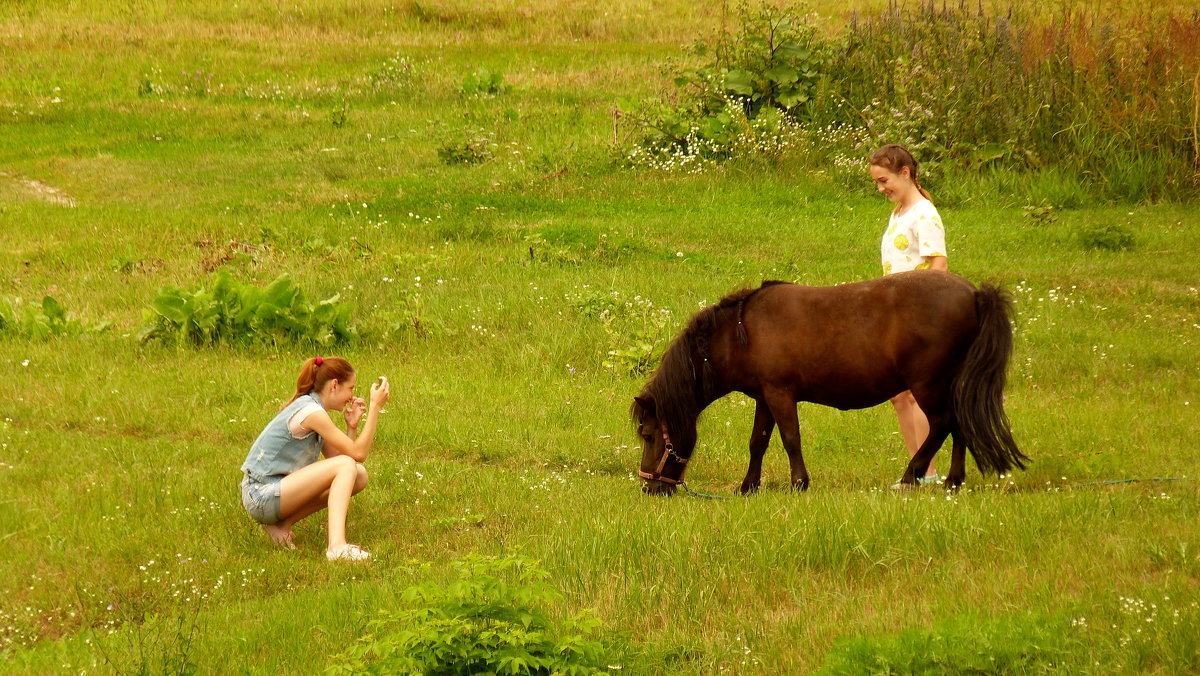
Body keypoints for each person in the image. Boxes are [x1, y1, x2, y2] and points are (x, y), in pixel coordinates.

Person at [239, 356, 390, 561]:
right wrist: (375, 408)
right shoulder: (311, 412)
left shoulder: (315, 410)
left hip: (272, 493)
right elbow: (357, 454)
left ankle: (281, 526)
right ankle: (337, 547)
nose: (352, 395)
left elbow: (341, 460)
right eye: (351, 388)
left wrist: (352, 427)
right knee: (349, 466)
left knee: (358, 475)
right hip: (260, 495)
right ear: (334, 385)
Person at [868, 144, 947, 488]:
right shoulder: (900, 212)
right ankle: (919, 470)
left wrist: (927, 316)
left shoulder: (924, 214)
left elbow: (939, 265)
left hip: (917, 313)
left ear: (905, 173)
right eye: (876, 183)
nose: (881, 188)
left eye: (884, 180)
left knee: (915, 393)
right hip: (894, 314)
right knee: (899, 394)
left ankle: (927, 473)